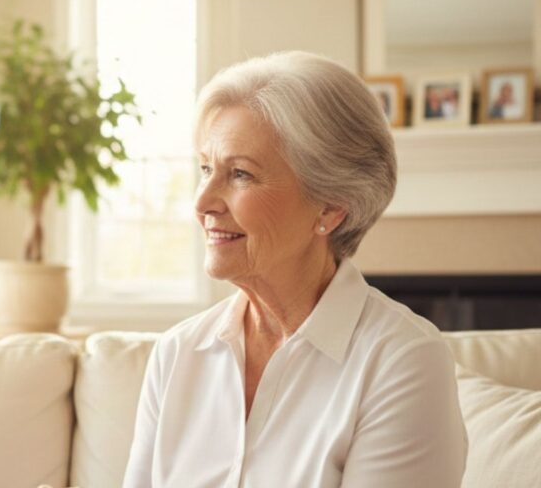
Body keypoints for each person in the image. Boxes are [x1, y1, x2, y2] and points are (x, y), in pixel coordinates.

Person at [123, 51, 467, 487]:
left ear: (331, 208)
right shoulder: (177, 354)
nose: (202, 202)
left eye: (240, 174)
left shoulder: (403, 361)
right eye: (206, 168)